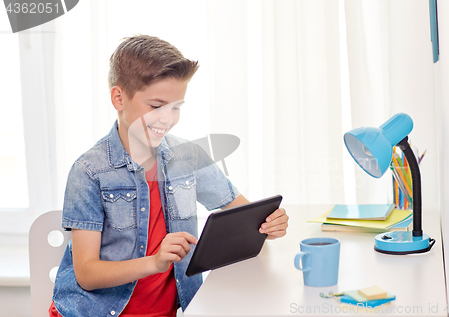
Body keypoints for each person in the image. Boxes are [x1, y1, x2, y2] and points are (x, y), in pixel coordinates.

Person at [49, 35, 289, 317]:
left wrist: (268, 224)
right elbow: (87, 274)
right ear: (119, 98)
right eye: (156, 106)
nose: (167, 118)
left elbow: (244, 213)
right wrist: (154, 262)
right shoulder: (89, 171)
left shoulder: (188, 157)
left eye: (176, 107)